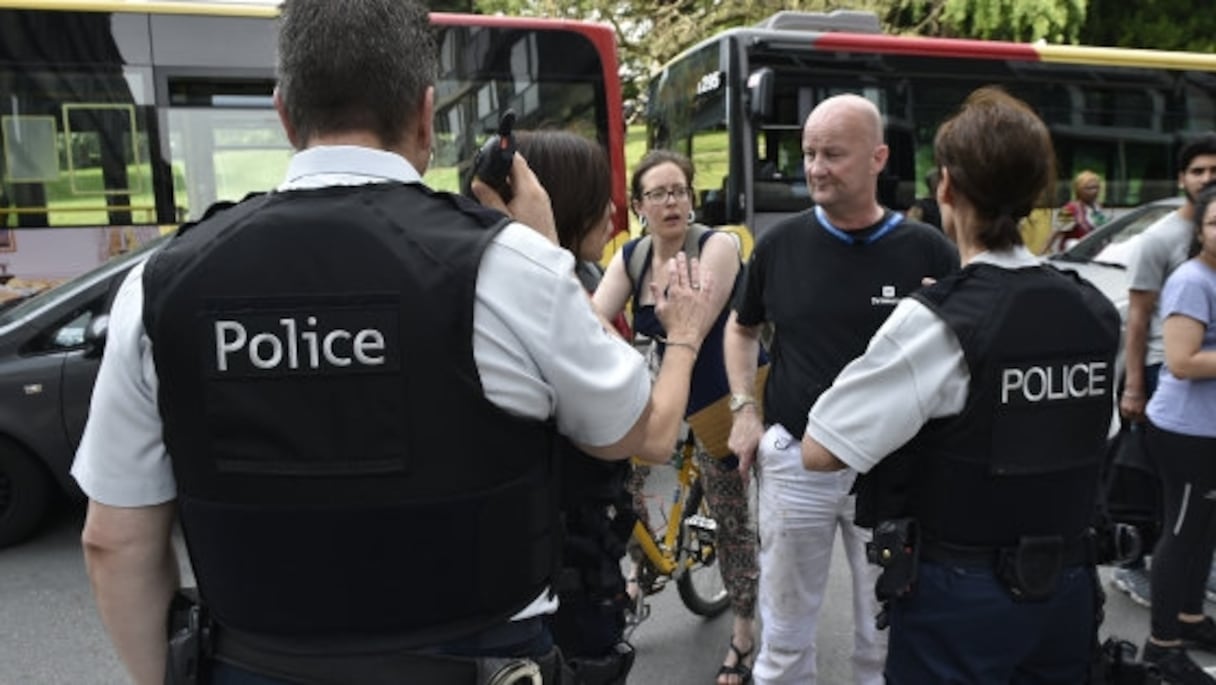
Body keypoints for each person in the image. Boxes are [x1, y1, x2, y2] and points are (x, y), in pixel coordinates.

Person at [70, 2, 720, 684]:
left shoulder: (160, 284)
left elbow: (114, 541)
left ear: (285, 115)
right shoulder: (511, 268)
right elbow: (632, 430)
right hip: (481, 664)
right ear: (425, 114)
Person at [801, 86, 1120, 684]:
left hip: (962, 597)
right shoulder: (1093, 309)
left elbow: (822, 449)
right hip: (1069, 589)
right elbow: (1093, 431)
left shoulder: (940, 320)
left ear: (944, 187)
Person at [724, 93, 957, 685]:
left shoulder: (927, 250)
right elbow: (741, 327)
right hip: (795, 464)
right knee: (784, 632)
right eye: (807, 153)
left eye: (833, 153)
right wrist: (745, 408)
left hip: (892, 471)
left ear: (878, 158)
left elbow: (960, 356)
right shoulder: (778, 245)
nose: (815, 167)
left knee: (882, 630)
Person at [594, 149, 762, 685]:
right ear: (639, 205)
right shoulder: (632, 257)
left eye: (680, 191)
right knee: (627, 488)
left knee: (730, 511)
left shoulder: (717, 247)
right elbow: (595, 320)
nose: (671, 201)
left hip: (721, 393)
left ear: (691, 198)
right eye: (658, 193)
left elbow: (696, 321)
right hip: (664, 393)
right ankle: (644, 573)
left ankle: (742, 629)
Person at [515, 129, 635, 683]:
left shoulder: (582, 278)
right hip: (566, 574)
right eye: (599, 195)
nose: (615, 210)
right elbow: (645, 430)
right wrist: (684, 340)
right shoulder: (549, 298)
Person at [1114, 134, 1216, 609]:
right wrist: (1134, 386)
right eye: (1197, 170)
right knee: (1151, 485)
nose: (1206, 178)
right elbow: (1137, 318)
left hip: (1204, 381)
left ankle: (1190, 582)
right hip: (1162, 371)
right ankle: (1135, 565)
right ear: (1181, 178)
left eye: (1214, 171)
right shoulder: (1161, 240)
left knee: (1193, 501)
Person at [1139, 184, 1216, 684]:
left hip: (1209, 429)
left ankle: (1190, 618)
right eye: (1215, 223)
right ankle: (1160, 645)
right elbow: (1183, 362)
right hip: (1187, 431)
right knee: (1183, 533)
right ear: (1201, 230)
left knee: (1206, 530)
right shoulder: (1192, 280)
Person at [1046, 170, 1109, 253]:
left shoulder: (1098, 207)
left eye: (1096, 187)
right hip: (1074, 254)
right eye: (1088, 188)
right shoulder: (1069, 208)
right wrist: (1041, 254)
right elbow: (1054, 234)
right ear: (1079, 190)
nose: (1094, 191)